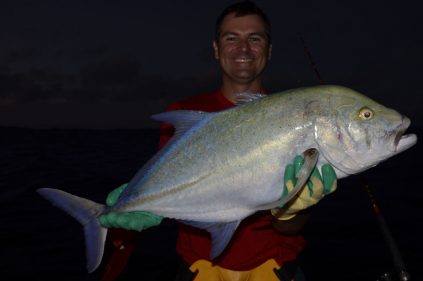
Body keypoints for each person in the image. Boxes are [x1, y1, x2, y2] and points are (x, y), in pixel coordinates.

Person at [98, 2, 337, 280]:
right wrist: (136, 206)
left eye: (255, 39)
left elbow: (289, 228)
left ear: (269, 50)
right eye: (231, 38)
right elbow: (174, 187)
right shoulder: (184, 112)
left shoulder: (293, 120)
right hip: (200, 270)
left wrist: (296, 208)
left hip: (276, 268)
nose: (244, 49)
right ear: (216, 48)